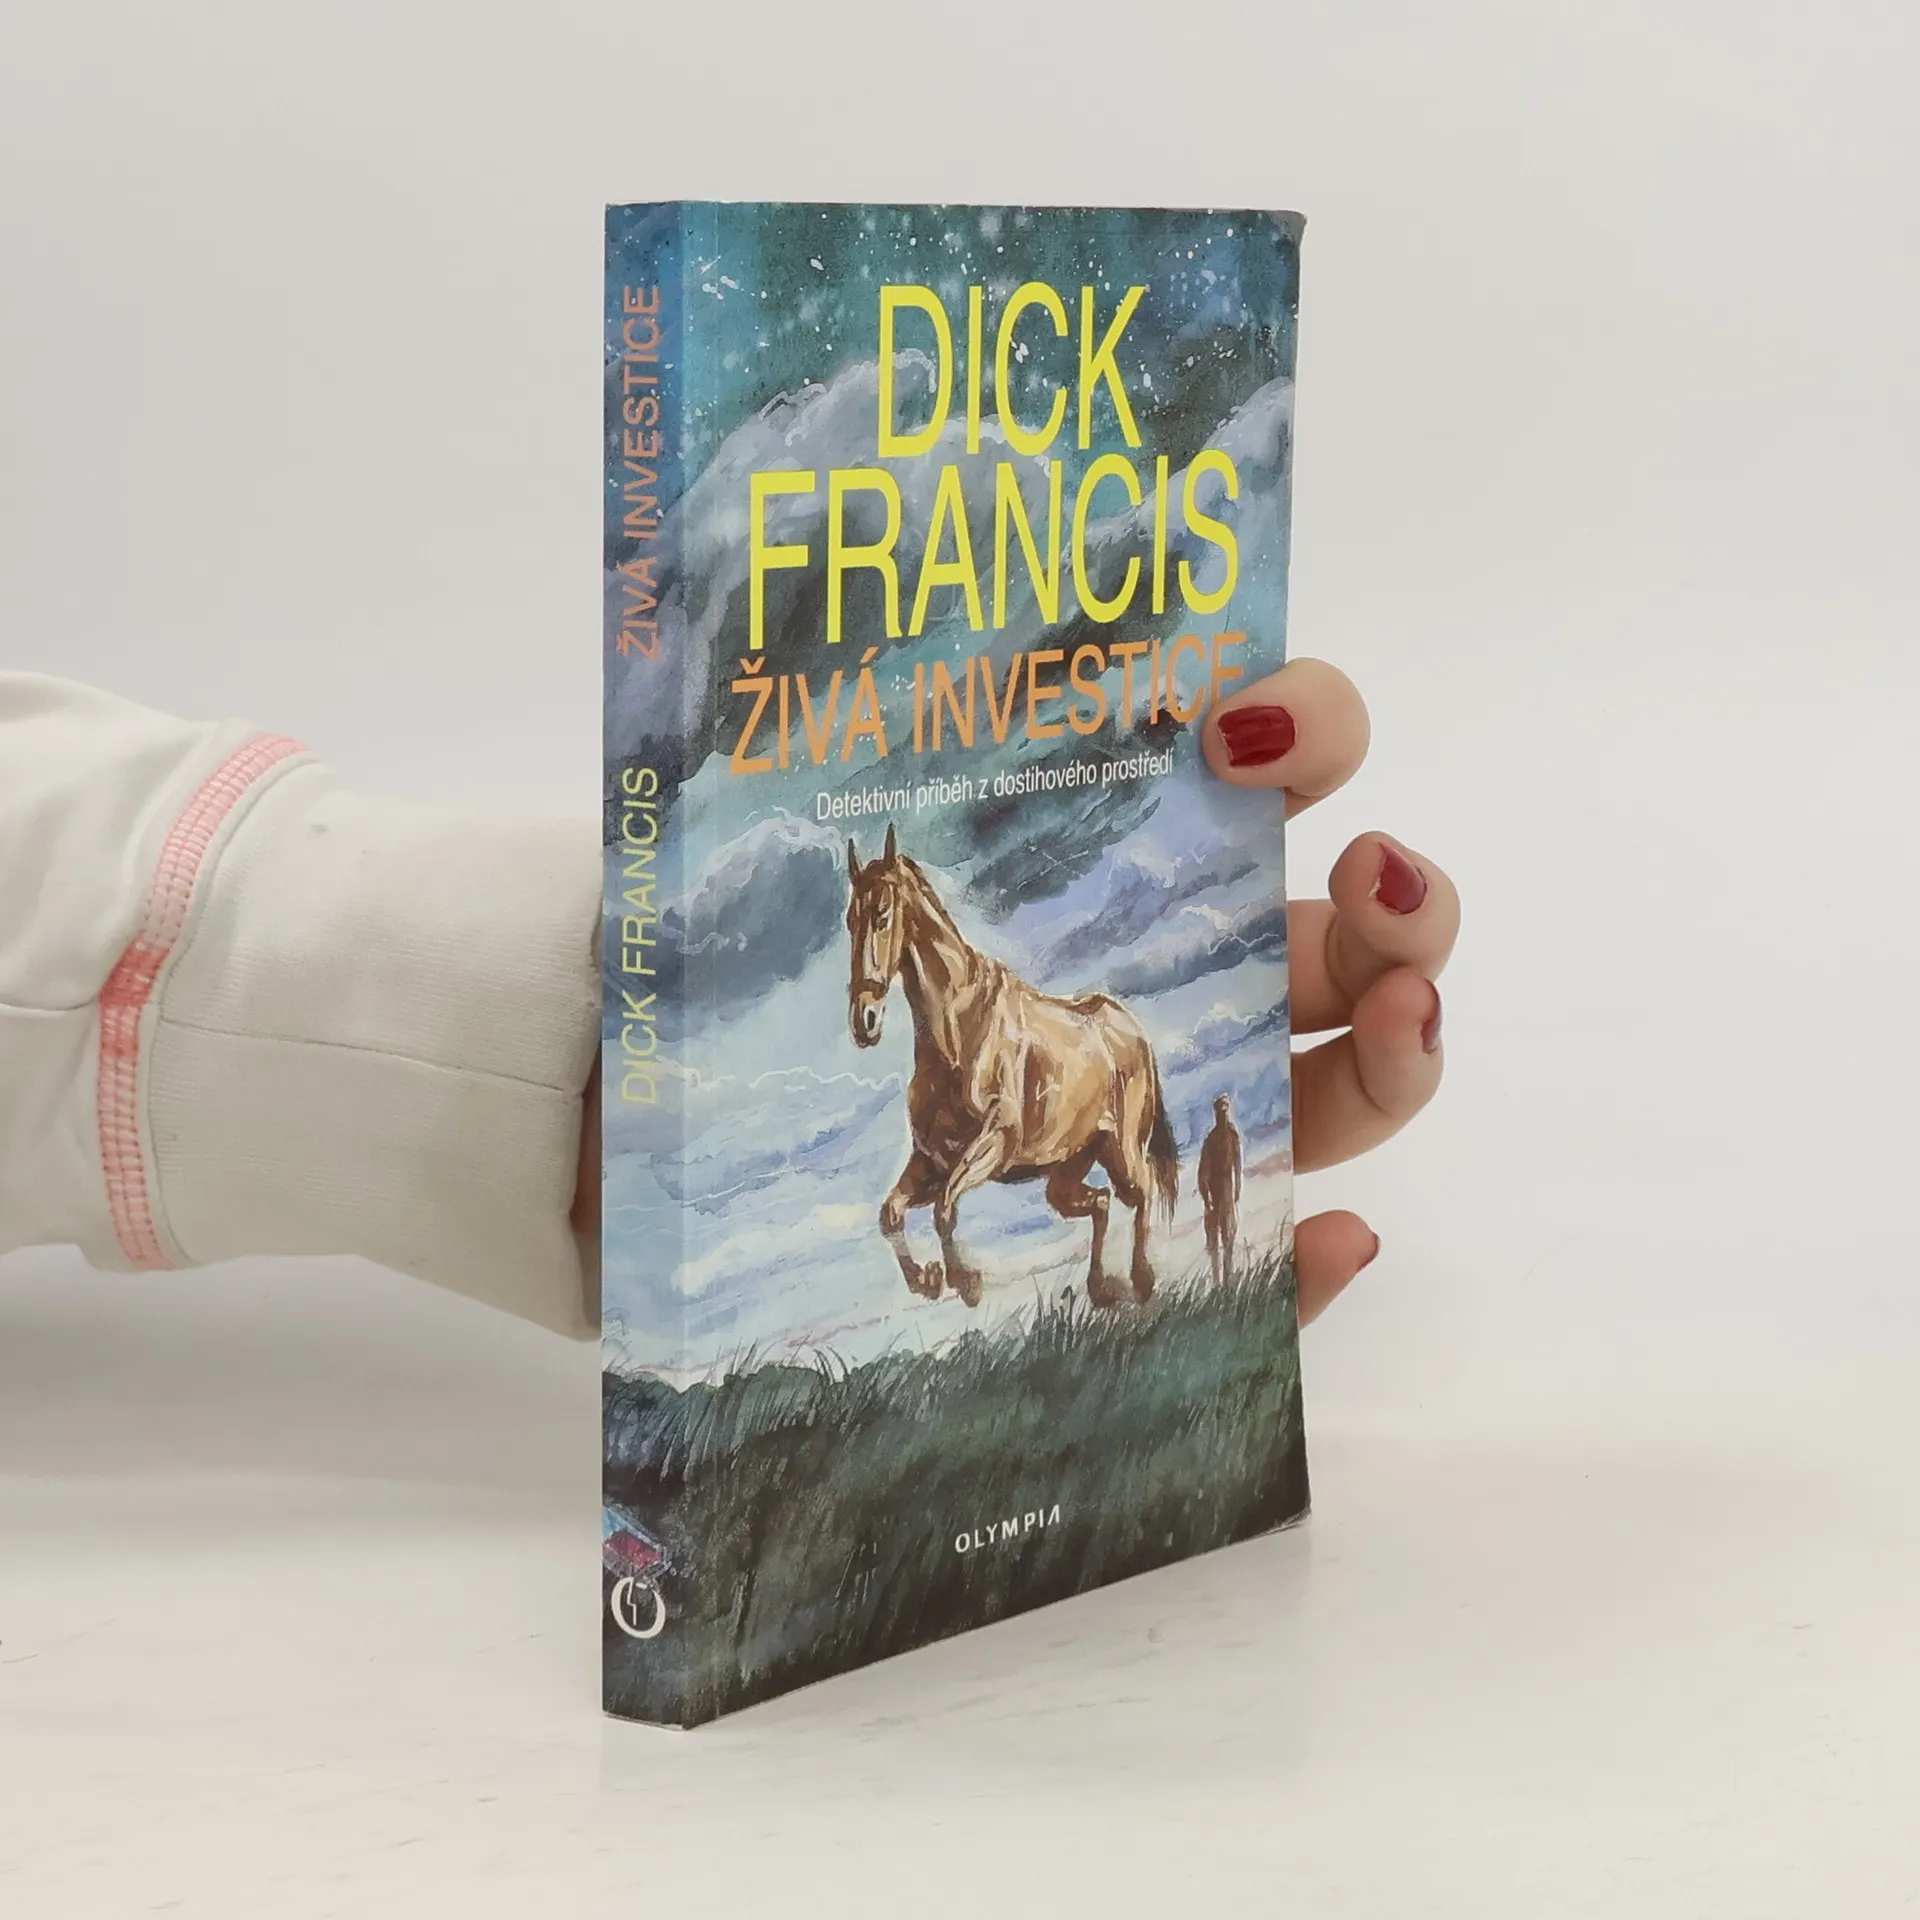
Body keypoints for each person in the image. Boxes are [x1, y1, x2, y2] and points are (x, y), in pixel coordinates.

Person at [0, 658, 1457, 1334]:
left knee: (1104, 1178)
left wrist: (593, 1020)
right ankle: (968, 1248)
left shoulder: (1072, 1029)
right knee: (915, 1193)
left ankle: (1124, 1246)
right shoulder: (915, 1014)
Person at [1198, 1093, 1244, 1287]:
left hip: (1227, 1191)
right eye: (1220, 1112)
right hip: (1213, 1192)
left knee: (1228, 1237)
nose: (1223, 1115)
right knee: (1213, 1241)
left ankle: (1228, 1278)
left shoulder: (1233, 1135)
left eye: (1225, 1111)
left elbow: (1238, 1162)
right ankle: (1217, 1283)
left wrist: (1238, 1186)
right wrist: (1206, 1196)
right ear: (1216, 1113)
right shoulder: (1211, 1139)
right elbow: (1203, 1171)